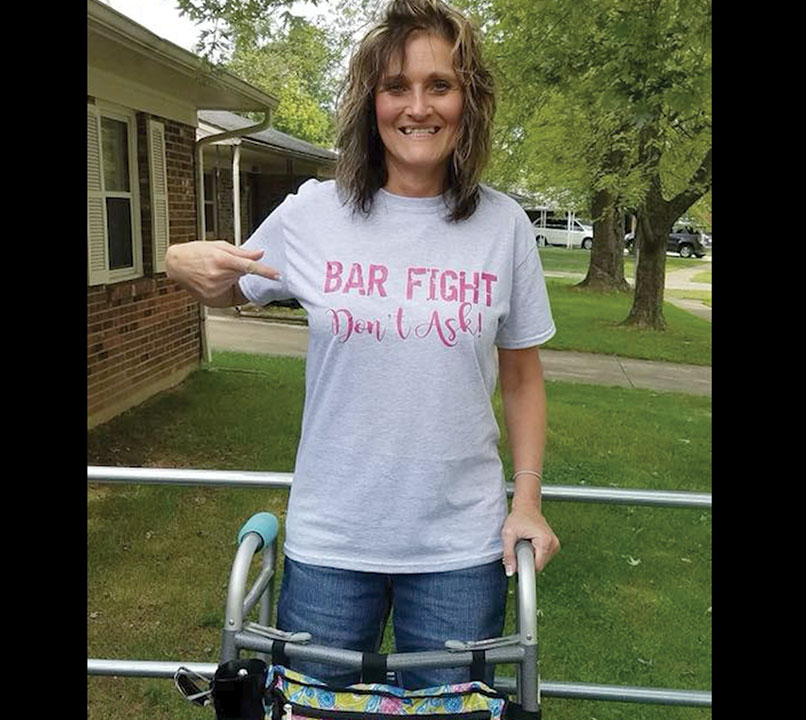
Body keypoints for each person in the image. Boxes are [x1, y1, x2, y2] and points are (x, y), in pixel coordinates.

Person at [166, 0, 559, 691]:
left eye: (439, 85)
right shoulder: (313, 214)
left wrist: (525, 502)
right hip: (332, 544)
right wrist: (178, 261)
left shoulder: (504, 227)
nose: (417, 107)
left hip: (459, 552)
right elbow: (231, 285)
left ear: (469, 101)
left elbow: (523, 377)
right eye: (395, 87)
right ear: (369, 102)